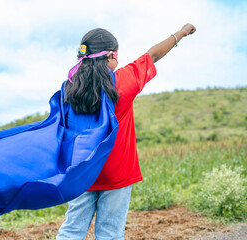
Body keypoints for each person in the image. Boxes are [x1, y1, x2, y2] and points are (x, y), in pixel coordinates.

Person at [56, 23, 196, 240]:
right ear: (110, 56)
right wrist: (181, 33)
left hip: (81, 173)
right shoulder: (122, 83)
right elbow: (153, 56)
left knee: (71, 230)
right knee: (110, 233)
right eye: (117, 55)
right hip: (117, 174)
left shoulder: (69, 89)